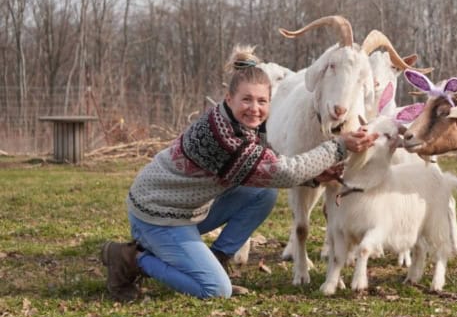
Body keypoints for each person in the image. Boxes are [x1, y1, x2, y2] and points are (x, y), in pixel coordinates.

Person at [100, 45, 377, 301]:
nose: (254, 108)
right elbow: (281, 171)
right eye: (246, 99)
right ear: (228, 98)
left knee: (262, 194)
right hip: (156, 215)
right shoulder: (222, 135)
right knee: (215, 289)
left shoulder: (245, 127)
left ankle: (215, 258)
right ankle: (130, 259)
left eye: (262, 101)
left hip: (186, 210)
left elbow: (264, 171)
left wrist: (317, 177)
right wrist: (339, 146)